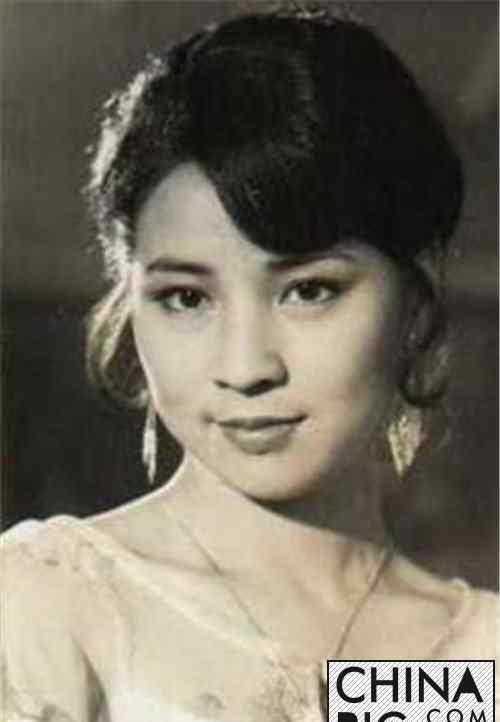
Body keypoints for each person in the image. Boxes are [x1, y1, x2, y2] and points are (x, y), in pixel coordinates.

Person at [1, 3, 497, 721]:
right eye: (185, 298)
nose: (246, 366)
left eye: (309, 291)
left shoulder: (480, 653)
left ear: (415, 305)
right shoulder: (50, 607)